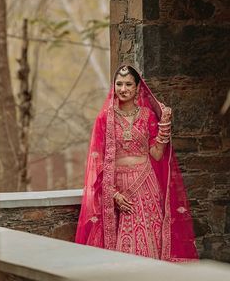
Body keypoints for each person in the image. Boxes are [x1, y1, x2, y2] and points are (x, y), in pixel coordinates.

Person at [75, 64, 198, 262]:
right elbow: (97, 161)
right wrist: (114, 195)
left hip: (146, 185)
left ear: (138, 88)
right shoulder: (105, 118)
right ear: (113, 87)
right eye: (119, 84)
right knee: (123, 245)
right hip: (119, 187)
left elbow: (157, 154)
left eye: (128, 84)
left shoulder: (147, 116)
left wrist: (164, 125)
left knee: (151, 236)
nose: (123, 89)